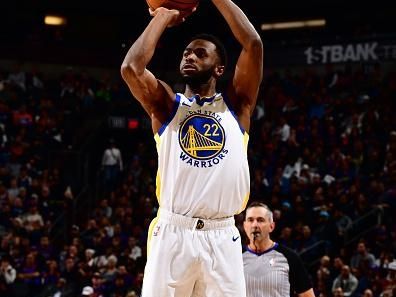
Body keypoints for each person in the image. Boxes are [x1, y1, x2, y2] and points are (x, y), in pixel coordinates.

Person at [120, 0, 263, 295]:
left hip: (222, 235)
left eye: (200, 53)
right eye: (186, 53)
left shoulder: (237, 106)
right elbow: (131, 69)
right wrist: (162, 15)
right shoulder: (167, 106)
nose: (190, 57)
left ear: (219, 68)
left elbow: (253, 44)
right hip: (174, 233)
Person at [242, 202, 315, 297]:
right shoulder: (235, 258)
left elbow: (307, 295)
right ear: (244, 226)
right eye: (250, 220)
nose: (255, 225)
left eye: (260, 220)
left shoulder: (289, 257)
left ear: (271, 226)